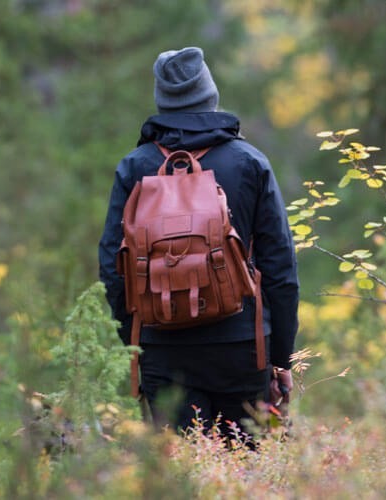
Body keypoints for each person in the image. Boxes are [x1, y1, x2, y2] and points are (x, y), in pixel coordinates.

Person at [98, 46, 298, 437]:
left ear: (162, 101)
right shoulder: (249, 162)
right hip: (243, 346)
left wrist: (135, 343)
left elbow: (112, 268)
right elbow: (280, 268)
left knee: (177, 475)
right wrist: (280, 357)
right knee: (247, 474)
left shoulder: (134, 166)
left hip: (161, 349)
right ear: (210, 94)